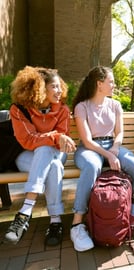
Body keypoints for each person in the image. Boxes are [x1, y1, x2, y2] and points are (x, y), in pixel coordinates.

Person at [70, 66, 134, 252]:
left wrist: (116, 147)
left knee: (133, 165)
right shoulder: (82, 106)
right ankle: (77, 222)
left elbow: (119, 133)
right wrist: (108, 155)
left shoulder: (115, 105)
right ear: (99, 84)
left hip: (112, 145)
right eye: (111, 81)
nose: (114, 84)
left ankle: (125, 207)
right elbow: (86, 140)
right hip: (89, 149)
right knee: (92, 166)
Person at [4, 66, 76, 246]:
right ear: (40, 89)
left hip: (57, 154)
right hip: (26, 156)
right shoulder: (19, 109)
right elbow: (27, 141)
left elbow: (61, 143)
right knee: (53, 165)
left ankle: (25, 211)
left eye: (60, 86)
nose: (60, 91)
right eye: (54, 86)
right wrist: (54, 136)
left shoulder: (62, 110)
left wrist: (54, 138)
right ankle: (55, 221)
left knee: (46, 152)